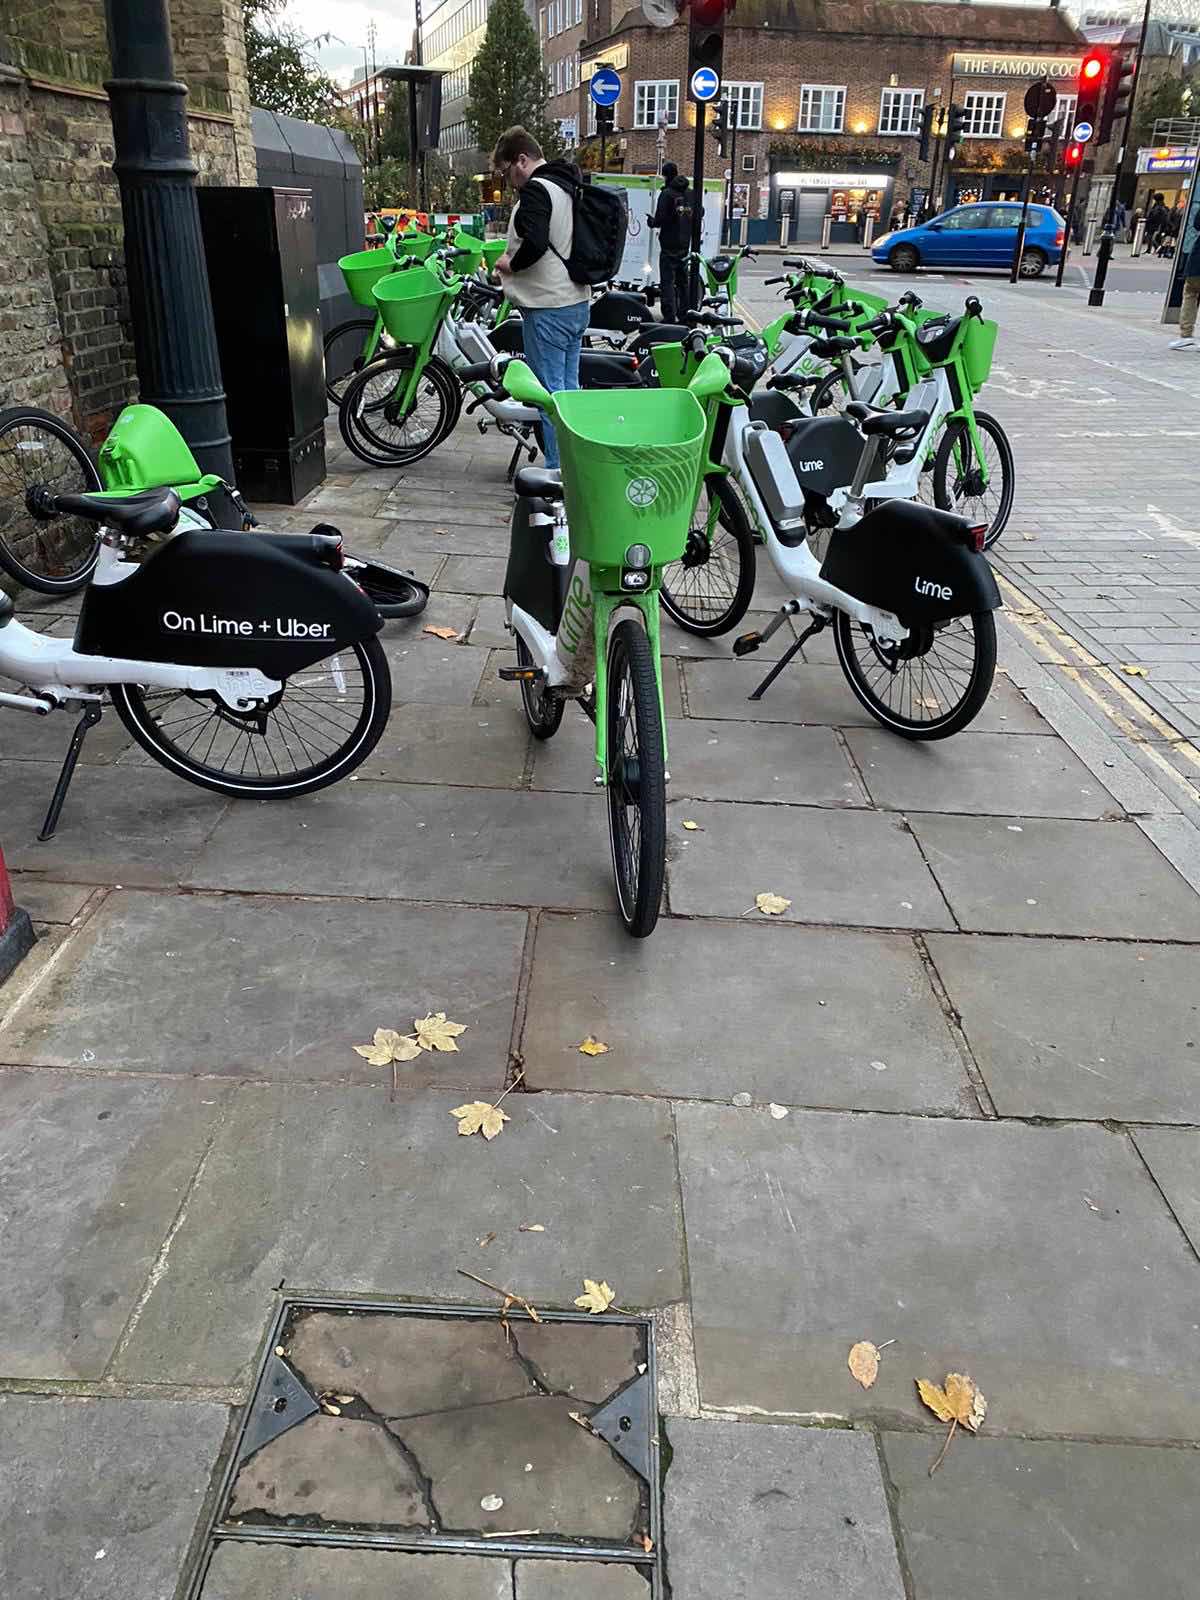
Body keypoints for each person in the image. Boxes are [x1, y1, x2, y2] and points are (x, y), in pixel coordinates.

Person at [491, 126, 590, 471]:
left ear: (522, 160)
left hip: (548, 307)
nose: (509, 182)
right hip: (576, 302)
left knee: (549, 397)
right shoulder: (566, 184)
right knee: (567, 392)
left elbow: (535, 243)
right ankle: (575, 468)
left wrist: (510, 264)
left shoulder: (537, 189)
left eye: (506, 172)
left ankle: (558, 475)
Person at [649, 161, 693, 323]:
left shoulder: (667, 194)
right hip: (685, 244)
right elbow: (700, 212)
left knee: (667, 282)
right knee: (683, 283)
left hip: (669, 245)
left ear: (666, 175)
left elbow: (660, 219)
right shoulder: (691, 193)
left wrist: (651, 222)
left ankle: (669, 316)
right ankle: (685, 315)